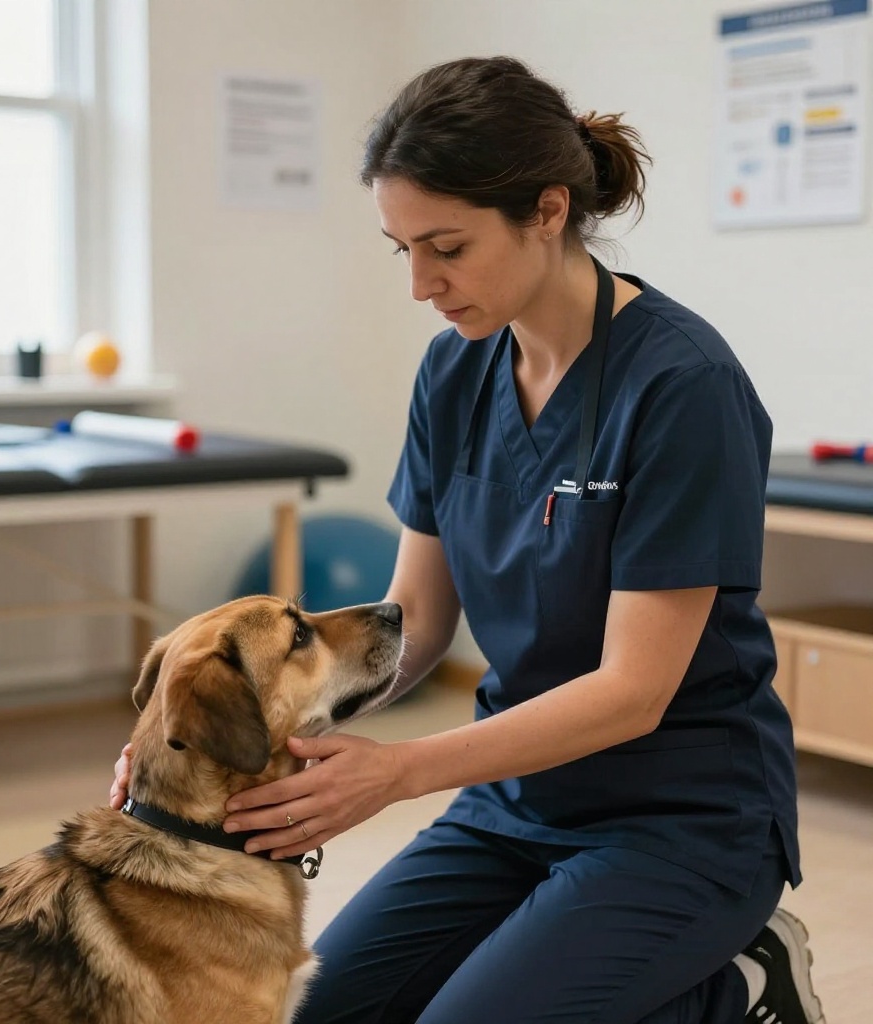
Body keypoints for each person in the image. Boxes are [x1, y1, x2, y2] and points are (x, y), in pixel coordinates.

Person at [111, 56, 825, 1024]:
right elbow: (412, 630)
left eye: (445, 246)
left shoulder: (681, 386)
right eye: (400, 248)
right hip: (513, 795)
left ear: (546, 211)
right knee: (312, 1014)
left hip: (680, 816)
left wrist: (400, 770)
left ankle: (731, 989)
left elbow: (634, 690)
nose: (420, 284)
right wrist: (210, 735)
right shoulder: (455, 371)